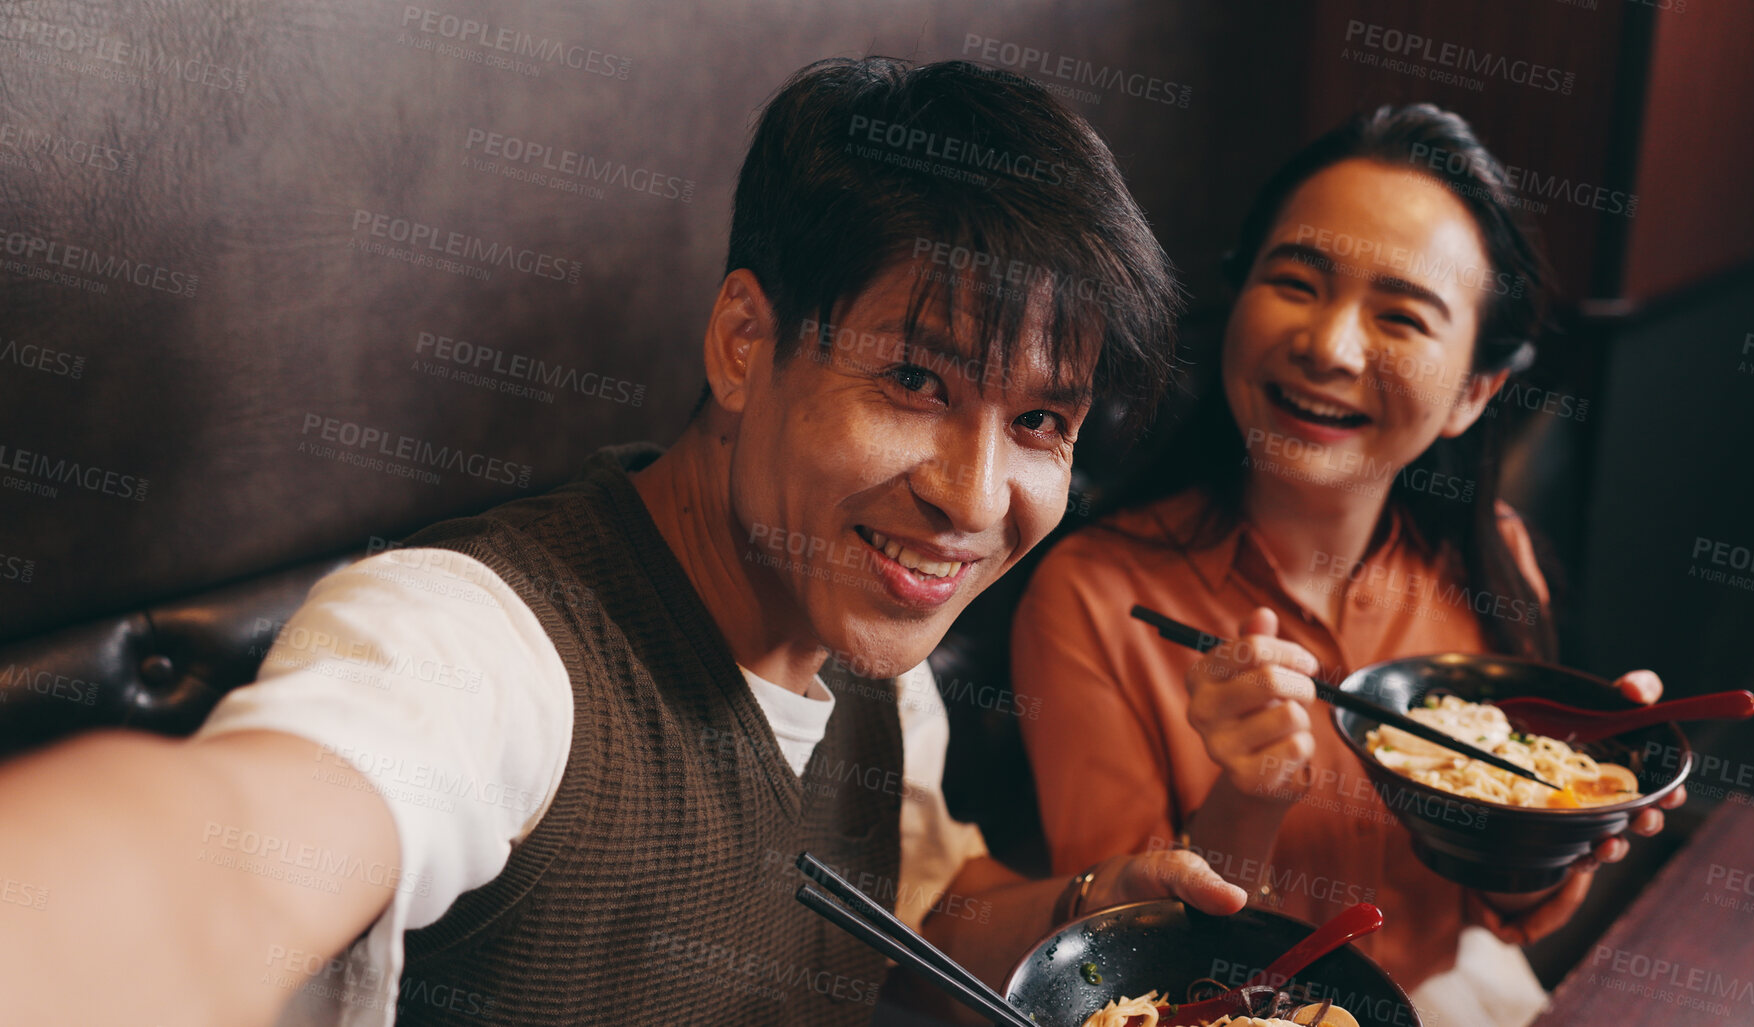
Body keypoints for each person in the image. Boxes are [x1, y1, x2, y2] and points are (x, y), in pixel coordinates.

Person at [0, 57, 1247, 1025]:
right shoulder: (477, 644)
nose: (975, 499)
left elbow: (911, 901)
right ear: (746, 343)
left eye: (1039, 420)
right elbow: (227, 861)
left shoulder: (875, 647)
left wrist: (1087, 906)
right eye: (915, 380)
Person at [1011, 104, 1687, 1026]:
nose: (1328, 346)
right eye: (1295, 280)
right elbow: (1116, 970)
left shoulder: (1487, 556)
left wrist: (1565, 820)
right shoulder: (1092, 594)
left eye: (1401, 315)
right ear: (1237, 294)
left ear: (1473, 391)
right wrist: (1246, 799)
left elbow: (1501, 912)